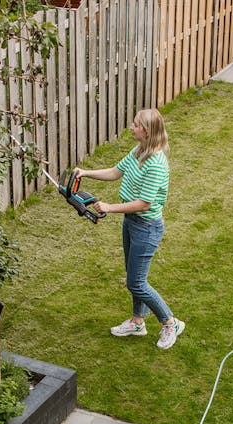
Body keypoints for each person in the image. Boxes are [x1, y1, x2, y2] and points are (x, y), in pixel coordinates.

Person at [74, 108, 184, 349]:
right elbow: (116, 171)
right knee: (134, 277)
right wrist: (86, 172)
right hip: (132, 223)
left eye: (135, 125)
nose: (131, 127)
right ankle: (137, 322)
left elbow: (144, 203)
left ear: (146, 131)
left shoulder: (156, 163)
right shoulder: (139, 151)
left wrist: (110, 207)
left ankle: (170, 322)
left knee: (136, 283)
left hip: (146, 228)